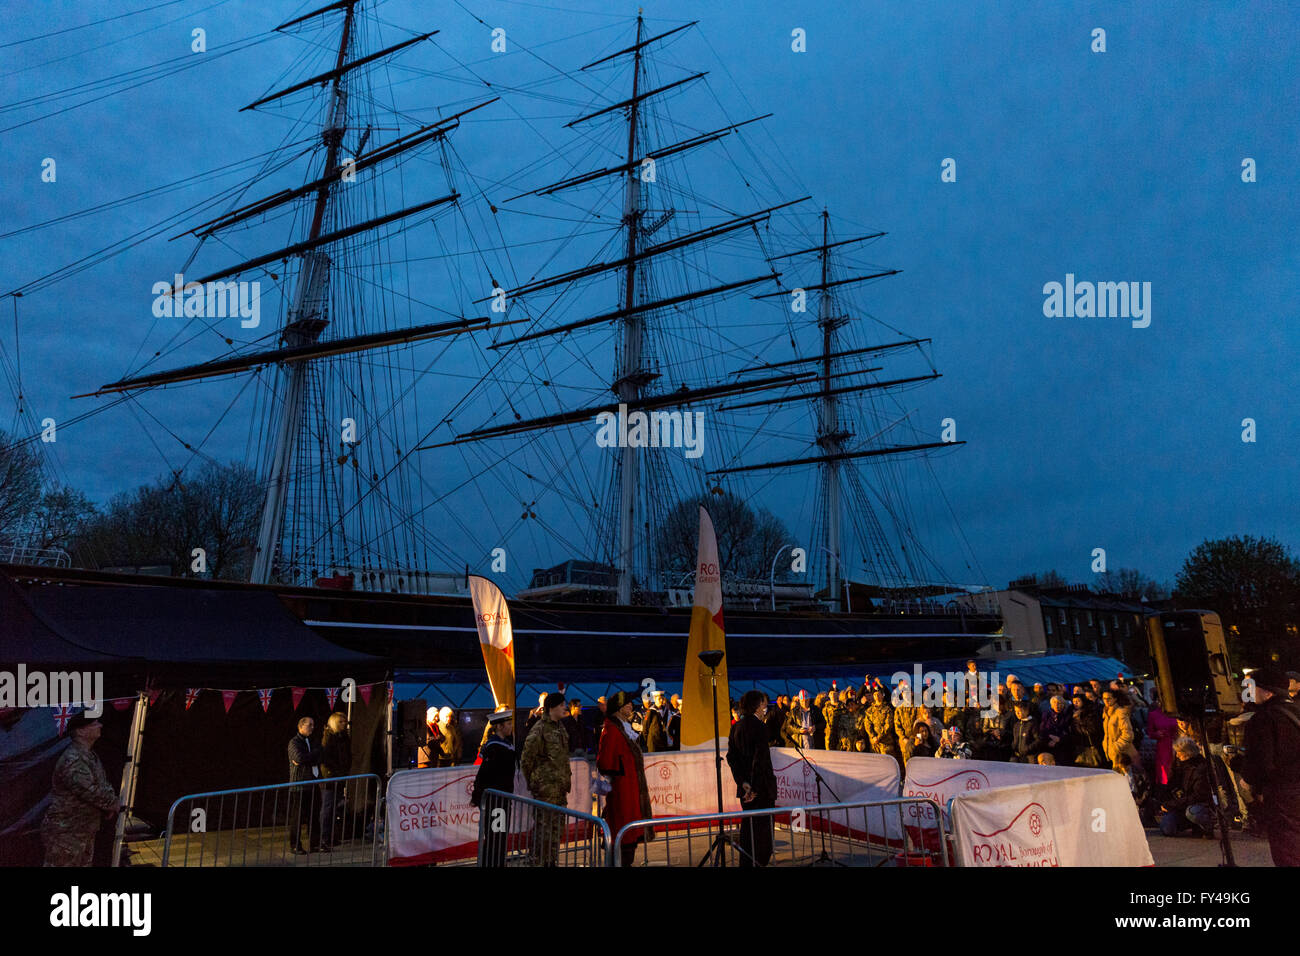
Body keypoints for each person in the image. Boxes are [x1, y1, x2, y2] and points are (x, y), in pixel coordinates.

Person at [1236, 666, 1300, 866]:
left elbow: (1262, 762)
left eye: (1253, 687)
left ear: (1266, 691)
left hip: (1282, 794)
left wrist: (1243, 773)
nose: (1250, 692)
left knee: (1287, 849)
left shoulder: (1263, 718)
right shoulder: (1296, 710)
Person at [41, 713, 119, 866]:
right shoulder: (74, 758)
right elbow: (87, 789)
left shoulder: (89, 756)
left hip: (82, 829)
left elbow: (102, 784)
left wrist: (108, 804)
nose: (100, 725)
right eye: (94, 723)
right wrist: (111, 804)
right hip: (67, 832)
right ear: (81, 731)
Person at [597, 691, 655, 866]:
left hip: (629, 789)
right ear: (618, 708)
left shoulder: (622, 727)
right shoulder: (612, 730)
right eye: (627, 704)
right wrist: (620, 773)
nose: (631, 706)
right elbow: (604, 762)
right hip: (622, 792)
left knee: (629, 835)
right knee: (623, 837)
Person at [519, 692, 571, 866]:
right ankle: (538, 862)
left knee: (556, 831)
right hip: (545, 791)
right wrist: (536, 782)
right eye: (562, 705)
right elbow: (526, 759)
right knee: (543, 831)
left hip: (560, 790)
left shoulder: (560, 727)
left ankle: (551, 862)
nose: (565, 708)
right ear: (552, 708)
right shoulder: (539, 728)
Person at [726, 691, 777, 866]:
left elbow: (731, 758)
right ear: (756, 705)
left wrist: (743, 783)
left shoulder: (736, 727)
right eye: (763, 704)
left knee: (748, 830)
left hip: (746, 789)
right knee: (763, 832)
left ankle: (746, 862)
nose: (765, 708)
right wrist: (753, 787)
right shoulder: (760, 727)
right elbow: (759, 760)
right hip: (761, 789)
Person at [472, 710, 517, 867]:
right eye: (509, 724)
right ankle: (492, 862)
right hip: (497, 800)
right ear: (499, 726)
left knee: (500, 834)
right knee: (495, 835)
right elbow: (484, 773)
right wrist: (477, 795)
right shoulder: (495, 747)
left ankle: (496, 861)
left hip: (503, 798)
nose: (511, 726)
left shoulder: (506, 745)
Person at [1158, 737, 1215, 838]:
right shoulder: (1177, 764)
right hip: (1180, 802)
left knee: (1192, 813)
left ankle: (1206, 826)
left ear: (1188, 753)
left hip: (1196, 804)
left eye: (1180, 752)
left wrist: (1172, 804)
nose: (1177, 755)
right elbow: (1170, 785)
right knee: (1167, 828)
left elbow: (1198, 795)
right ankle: (1188, 824)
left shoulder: (1201, 767)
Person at [287, 716, 325, 854]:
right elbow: (299, 758)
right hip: (300, 784)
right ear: (300, 726)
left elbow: (320, 755)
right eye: (309, 725)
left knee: (314, 816)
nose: (312, 727)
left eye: (313, 725)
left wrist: (310, 757)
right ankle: (295, 845)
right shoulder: (294, 742)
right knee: (298, 817)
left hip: (313, 782)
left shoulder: (313, 741)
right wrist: (312, 756)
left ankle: (315, 844)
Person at [319, 712, 352, 850]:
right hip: (330, 778)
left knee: (335, 808)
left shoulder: (344, 738)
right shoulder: (329, 738)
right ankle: (323, 839)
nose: (344, 724)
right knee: (327, 808)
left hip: (340, 776)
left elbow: (347, 755)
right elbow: (326, 758)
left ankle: (331, 836)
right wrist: (336, 771)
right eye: (341, 722)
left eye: (345, 722)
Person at [1146, 695, 1181, 788]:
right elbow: (1150, 732)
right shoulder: (1153, 714)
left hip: (1177, 742)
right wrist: (1156, 734)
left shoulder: (1175, 712)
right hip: (1163, 745)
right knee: (1165, 769)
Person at [1102, 687, 1141, 772]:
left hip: (1124, 754)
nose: (1106, 701)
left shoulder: (1120, 712)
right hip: (1114, 754)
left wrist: (1116, 747)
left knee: (1127, 780)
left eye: (1109, 698)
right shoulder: (1106, 713)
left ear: (1115, 699)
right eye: (1104, 698)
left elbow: (1128, 734)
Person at [864, 687, 900, 764]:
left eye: (879, 694)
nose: (877, 696)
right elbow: (867, 724)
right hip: (874, 743)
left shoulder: (888, 709)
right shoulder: (869, 710)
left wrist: (879, 737)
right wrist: (873, 736)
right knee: (876, 764)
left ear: (882, 695)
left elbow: (888, 724)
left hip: (886, 742)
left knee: (887, 763)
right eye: (875, 694)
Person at [1040, 696, 1072, 766]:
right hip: (1048, 747)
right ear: (1051, 705)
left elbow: (1069, 732)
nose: (1057, 705)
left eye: (1060, 703)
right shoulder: (1046, 715)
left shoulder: (1067, 716)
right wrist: (1049, 738)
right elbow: (1042, 730)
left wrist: (1059, 739)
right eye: (1055, 703)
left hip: (1063, 748)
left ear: (1064, 705)